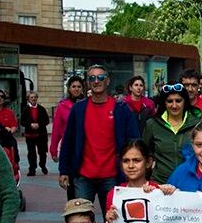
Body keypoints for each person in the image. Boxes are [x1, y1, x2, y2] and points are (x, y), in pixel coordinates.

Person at [58, 64, 141, 212]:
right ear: (88, 83)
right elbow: (68, 141)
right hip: (83, 176)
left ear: (107, 81)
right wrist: (64, 170)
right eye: (92, 78)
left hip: (112, 177)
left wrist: (133, 170)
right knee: (81, 221)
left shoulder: (121, 109)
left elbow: (133, 142)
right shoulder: (79, 109)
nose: (96, 81)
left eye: (100, 77)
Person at [142, 83, 202, 184]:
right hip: (160, 183)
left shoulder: (198, 124)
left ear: (185, 102)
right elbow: (145, 153)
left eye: (178, 101)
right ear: (164, 103)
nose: (174, 105)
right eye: (169, 101)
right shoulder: (152, 124)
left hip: (190, 183)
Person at [50, 75, 85, 198]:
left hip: (85, 147)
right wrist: (53, 149)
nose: (76, 89)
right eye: (73, 86)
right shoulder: (62, 106)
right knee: (71, 185)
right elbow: (57, 129)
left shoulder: (87, 104)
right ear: (69, 89)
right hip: (69, 148)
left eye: (79, 86)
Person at [21, 90, 50, 175]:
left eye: (35, 97)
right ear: (28, 99)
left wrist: (39, 125)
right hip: (30, 135)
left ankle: (43, 165)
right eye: (31, 97)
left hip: (41, 134)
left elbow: (46, 121)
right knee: (31, 152)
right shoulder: (25, 110)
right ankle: (32, 169)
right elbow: (22, 122)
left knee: (42, 152)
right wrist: (30, 125)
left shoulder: (42, 109)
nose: (33, 99)